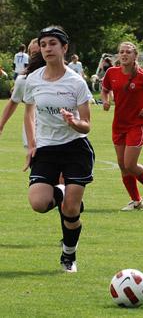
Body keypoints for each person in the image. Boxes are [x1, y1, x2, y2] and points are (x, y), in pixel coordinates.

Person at [23, 26, 95, 273]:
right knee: (38, 203)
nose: (47, 48)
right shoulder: (33, 79)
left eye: (53, 43)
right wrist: (32, 144)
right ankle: (63, 193)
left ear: (64, 48)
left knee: (72, 211)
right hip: (46, 150)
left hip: (75, 148)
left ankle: (69, 255)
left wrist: (74, 122)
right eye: (43, 44)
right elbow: (29, 111)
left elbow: (86, 125)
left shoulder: (76, 83)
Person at [101, 41, 143, 211]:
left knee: (130, 164)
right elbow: (105, 89)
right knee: (122, 165)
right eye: (121, 52)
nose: (124, 55)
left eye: (128, 52)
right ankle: (135, 200)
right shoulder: (111, 72)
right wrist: (105, 101)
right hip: (119, 124)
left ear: (135, 56)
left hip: (137, 124)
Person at [0, 40, 45, 140]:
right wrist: (1, 125)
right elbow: (13, 102)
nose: (37, 56)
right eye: (33, 53)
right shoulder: (24, 80)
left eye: (39, 52)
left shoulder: (64, 76)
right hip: (35, 134)